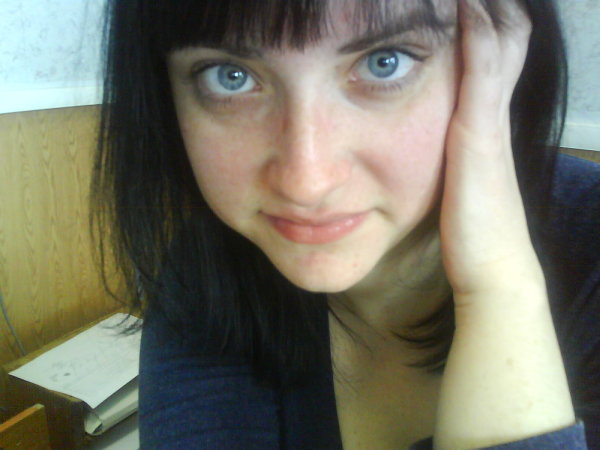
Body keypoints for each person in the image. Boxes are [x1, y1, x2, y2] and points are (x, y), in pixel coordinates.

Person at [92, 0, 599, 448]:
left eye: (385, 61)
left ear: (497, 63)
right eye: (230, 76)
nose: (306, 183)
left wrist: (500, 287)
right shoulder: (201, 271)